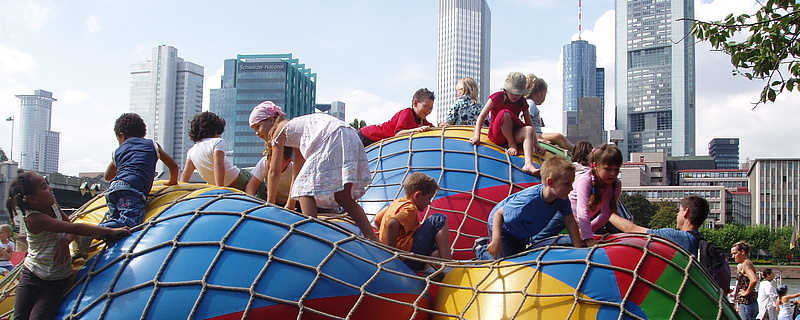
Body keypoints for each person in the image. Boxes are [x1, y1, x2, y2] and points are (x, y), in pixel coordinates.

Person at [7, 171, 130, 320]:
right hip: (32, 275)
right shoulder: (35, 219)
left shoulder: (53, 205)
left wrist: (65, 241)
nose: (51, 189)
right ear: (32, 199)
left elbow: (69, 227)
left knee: (38, 317)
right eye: (44, 187)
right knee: (19, 317)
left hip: (55, 280)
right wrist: (109, 230)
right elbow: (75, 229)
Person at [248, 101, 379, 241]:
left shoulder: (278, 131)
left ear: (271, 120)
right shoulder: (295, 132)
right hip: (347, 134)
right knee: (343, 197)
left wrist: (270, 203)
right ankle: (371, 236)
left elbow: (273, 171)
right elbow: (298, 170)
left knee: (304, 189)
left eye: (258, 126)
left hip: (330, 137)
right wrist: (290, 205)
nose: (257, 133)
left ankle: (313, 235)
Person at [473, 156, 583, 260]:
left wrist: (578, 250)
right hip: (504, 229)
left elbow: (570, 222)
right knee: (503, 262)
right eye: (566, 184)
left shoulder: (561, 199)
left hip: (522, 232)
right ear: (551, 182)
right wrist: (496, 240)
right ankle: (480, 248)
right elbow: (498, 214)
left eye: (572, 183)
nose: (571, 188)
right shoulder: (529, 200)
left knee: (519, 258)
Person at [102, 113, 179, 228]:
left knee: (115, 221)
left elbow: (107, 177)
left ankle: (98, 232)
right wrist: (172, 181)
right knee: (129, 223)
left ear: (121, 136)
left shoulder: (118, 151)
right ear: (143, 132)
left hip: (113, 188)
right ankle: (92, 231)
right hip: (131, 190)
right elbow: (173, 166)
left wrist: (117, 159)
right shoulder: (152, 145)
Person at [373, 172, 452, 271]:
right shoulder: (410, 208)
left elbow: (377, 220)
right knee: (438, 219)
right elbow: (393, 224)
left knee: (437, 242)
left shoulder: (396, 203)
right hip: (407, 257)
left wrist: (385, 238)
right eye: (429, 198)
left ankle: (428, 267)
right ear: (417, 195)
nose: (430, 202)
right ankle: (448, 265)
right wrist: (392, 251)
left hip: (404, 256)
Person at [470, 72, 544, 175]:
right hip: (498, 134)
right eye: (512, 92)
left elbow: (529, 123)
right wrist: (476, 135)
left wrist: (536, 144)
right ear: (506, 90)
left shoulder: (522, 101)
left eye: (518, 94)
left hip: (513, 132)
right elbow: (482, 116)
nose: (515, 96)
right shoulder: (497, 97)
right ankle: (511, 143)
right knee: (505, 114)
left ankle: (528, 163)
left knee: (529, 130)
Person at [179, 112, 264, 197]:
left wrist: (180, 191)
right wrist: (220, 188)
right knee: (260, 173)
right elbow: (218, 165)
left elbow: (186, 173)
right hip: (237, 179)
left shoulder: (192, 151)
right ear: (216, 129)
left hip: (219, 185)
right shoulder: (217, 142)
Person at [608, 196, 710, 253]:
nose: (677, 215)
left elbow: (630, 229)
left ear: (686, 212)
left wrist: (606, 213)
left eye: (679, 211)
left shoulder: (678, 237)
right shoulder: (699, 240)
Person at [569, 143, 622, 246]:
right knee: (542, 237)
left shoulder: (615, 184)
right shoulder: (585, 180)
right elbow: (582, 213)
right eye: (608, 169)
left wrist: (584, 233)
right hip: (566, 213)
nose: (613, 173)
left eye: (616, 169)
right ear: (595, 165)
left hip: (588, 218)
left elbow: (606, 214)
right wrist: (588, 239)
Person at [358, 88, 435, 146]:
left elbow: (433, 129)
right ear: (415, 103)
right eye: (425, 106)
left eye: (431, 108)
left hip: (376, 140)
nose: (428, 110)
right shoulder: (407, 113)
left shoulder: (422, 121)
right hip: (367, 136)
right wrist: (417, 130)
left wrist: (442, 125)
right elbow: (398, 134)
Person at [525, 74, 575, 153]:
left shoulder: (530, 104)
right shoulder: (531, 103)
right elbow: (525, 122)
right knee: (559, 137)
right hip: (535, 135)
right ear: (542, 92)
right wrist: (537, 138)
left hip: (536, 134)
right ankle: (579, 153)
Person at [733, 241, 759, 320]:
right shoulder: (746, 264)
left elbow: (754, 280)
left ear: (742, 252)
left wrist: (746, 292)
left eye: (735, 253)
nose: (733, 256)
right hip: (748, 303)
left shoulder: (746, 264)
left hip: (747, 303)